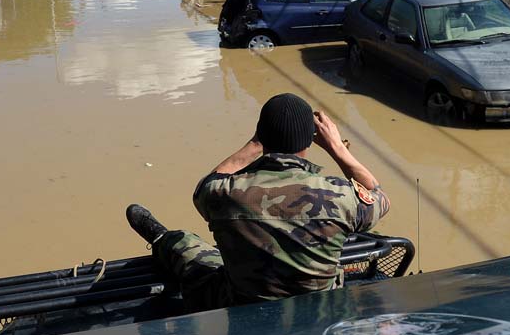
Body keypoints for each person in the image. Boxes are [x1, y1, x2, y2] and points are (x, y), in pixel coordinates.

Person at [126, 93, 390, 312]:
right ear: (311, 139)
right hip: (321, 309)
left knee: (184, 243)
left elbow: (204, 188)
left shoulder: (226, 194)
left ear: (262, 136)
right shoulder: (340, 196)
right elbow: (378, 197)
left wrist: (255, 143)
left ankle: (161, 239)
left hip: (241, 304)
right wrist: (337, 147)